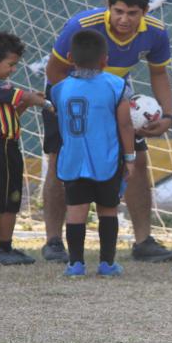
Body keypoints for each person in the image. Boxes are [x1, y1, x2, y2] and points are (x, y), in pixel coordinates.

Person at [42, 0, 172, 263]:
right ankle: (53, 241)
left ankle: (143, 241)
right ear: (108, 6)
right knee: (60, 163)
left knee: (137, 161)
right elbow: (54, 72)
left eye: (132, 13)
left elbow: (159, 74)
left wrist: (168, 116)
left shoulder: (156, 33)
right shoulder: (80, 26)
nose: (124, 19)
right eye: (118, 11)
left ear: (145, 12)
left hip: (114, 99)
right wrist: (75, 104)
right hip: (71, 98)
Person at [51, 30, 136, 277]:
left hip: (73, 161)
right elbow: (125, 125)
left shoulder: (59, 89)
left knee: (75, 211)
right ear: (105, 60)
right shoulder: (116, 86)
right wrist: (130, 158)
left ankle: (76, 264)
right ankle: (107, 263)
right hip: (106, 160)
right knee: (108, 210)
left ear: (69, 57)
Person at [0, 31, 51, 266]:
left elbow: (12, 113)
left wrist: (27, 103)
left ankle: (4, 248)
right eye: (11, 64)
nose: (13, 69)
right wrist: (45, 103)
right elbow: (23, 95)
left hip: (7, 149)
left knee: (8, 202)